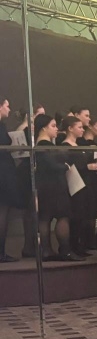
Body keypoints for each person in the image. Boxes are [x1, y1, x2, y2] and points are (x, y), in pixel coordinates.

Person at [33, 114, 80, 262]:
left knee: (45, 218)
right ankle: (65, 250)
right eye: (53, 126)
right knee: (62, 216)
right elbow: (52, 166)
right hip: (55, 186)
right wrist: (65, 166)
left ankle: (46, 250)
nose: (56, 129)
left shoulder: (39, 145)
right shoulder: (44, 145)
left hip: (45, 185)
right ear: (43, 128)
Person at [58, 115, 96, 256]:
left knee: (85, 215)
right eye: (79, 127)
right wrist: (86, 167)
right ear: (70, 128)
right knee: (76, 215)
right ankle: (74, 246)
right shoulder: (64, 147)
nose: (82, 130)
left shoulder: (79, 145)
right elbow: (69, 166)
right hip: (75, 184)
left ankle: (82, 245)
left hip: (86, 183)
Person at [0, 97, 22, 262]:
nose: (9, 109)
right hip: (3, 173)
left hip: (4, 170)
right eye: (7, 106)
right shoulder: (1, 126)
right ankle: (1, 253)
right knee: (3, 211)